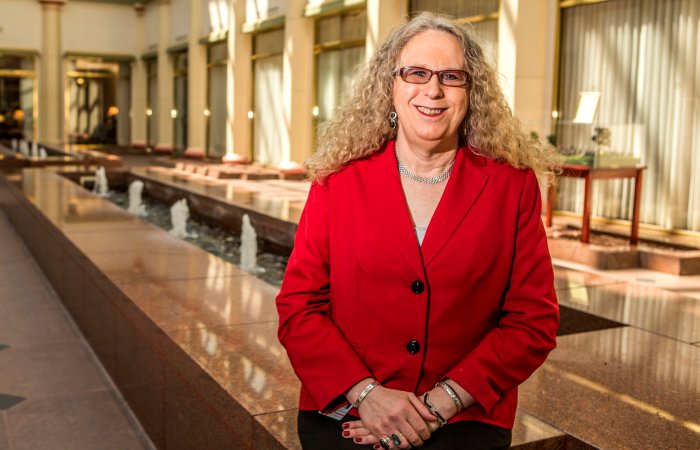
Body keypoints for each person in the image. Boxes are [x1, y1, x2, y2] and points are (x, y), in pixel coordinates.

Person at [276, 12, 560, 450]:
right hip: (347, 413)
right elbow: (299, 307)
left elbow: (533, 322)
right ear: (390, 85)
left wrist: (438, 404)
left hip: (464, 418)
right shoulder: (337, 181)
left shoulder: (512, 186)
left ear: (472, 93)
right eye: (417, 73)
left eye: (451, 76)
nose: (433, 90)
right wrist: (366, 394)